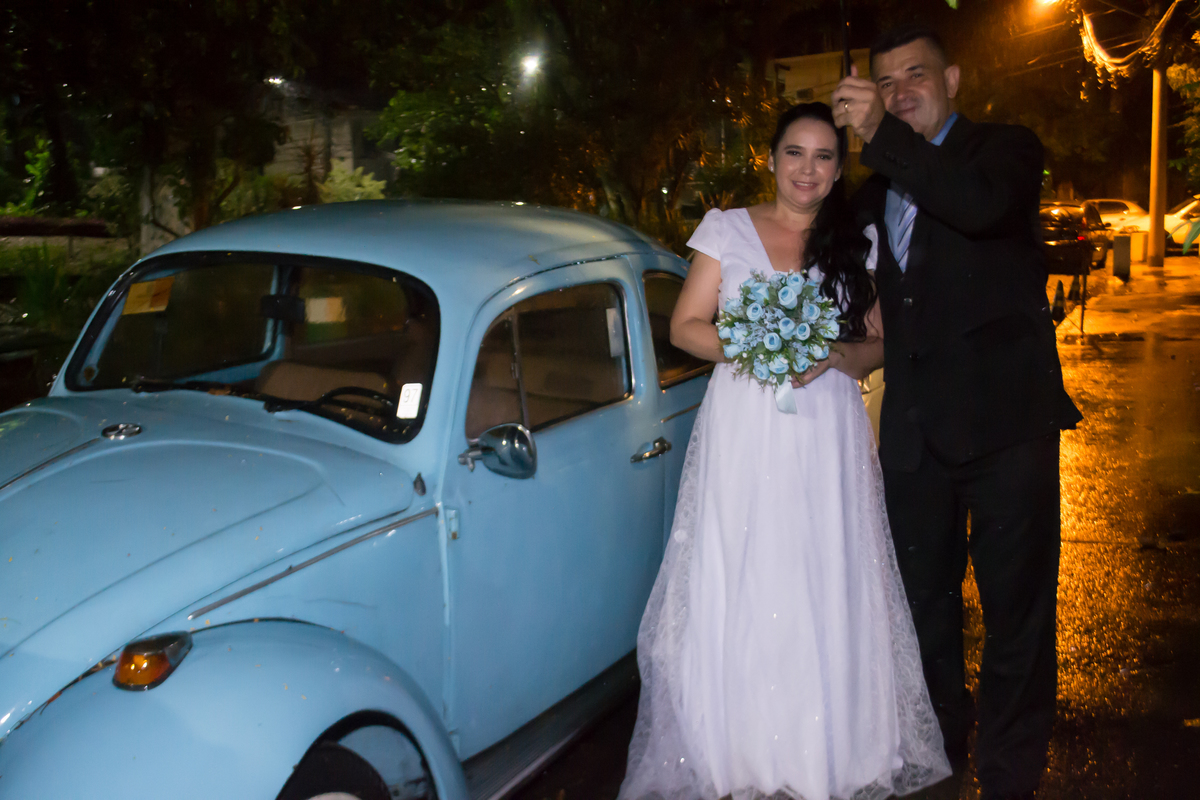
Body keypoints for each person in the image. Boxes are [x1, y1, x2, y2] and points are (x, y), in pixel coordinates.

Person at [617, 102, 951, 800]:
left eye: (825, 156)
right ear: (771, 159)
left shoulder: (854, 242)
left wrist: (826, 353)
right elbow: (685, 327)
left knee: (822, 566)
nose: (808, 169)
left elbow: (880, 343)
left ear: (838, 170)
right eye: (795, 153)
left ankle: (830, 745)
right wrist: (760, 346)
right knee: (745, 564)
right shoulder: (726, 229)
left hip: (824, 427)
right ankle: (737, 747)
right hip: (743, 424)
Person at [832, 24, 1082, 800]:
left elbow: (972, 208)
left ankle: (1009, 774)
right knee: (923, 616)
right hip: (912, 440)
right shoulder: (872, 187)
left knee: (1016, 616)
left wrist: (878, 135)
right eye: (884, 81)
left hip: (1007, 431)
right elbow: (843, 278)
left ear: (955, 79)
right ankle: (939, 746)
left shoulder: (1004, 151)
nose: (900, 91)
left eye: (916, 75)